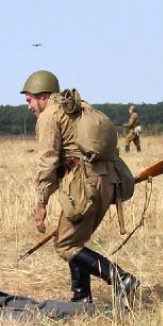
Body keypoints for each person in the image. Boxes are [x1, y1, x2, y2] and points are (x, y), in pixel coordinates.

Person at [21, 69, 138, 306]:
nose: (28, 106)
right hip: (105, 180)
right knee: (75, 239)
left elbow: (48, 161)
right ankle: (81, 297)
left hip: (84, 183)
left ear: (42, 95)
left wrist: (41, 202)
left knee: (66, 244)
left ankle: (120, 278)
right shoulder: (77, 107)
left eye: (29, 100)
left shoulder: (49, 116)